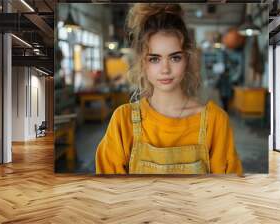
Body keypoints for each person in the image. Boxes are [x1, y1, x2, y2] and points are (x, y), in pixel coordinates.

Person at [95, 3, 243, 175]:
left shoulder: (215, 121)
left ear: (187, 59)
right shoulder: (123, 121)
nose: (165, 69)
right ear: (143, 63)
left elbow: (227, 193)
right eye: (154, 59)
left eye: (175, 58)